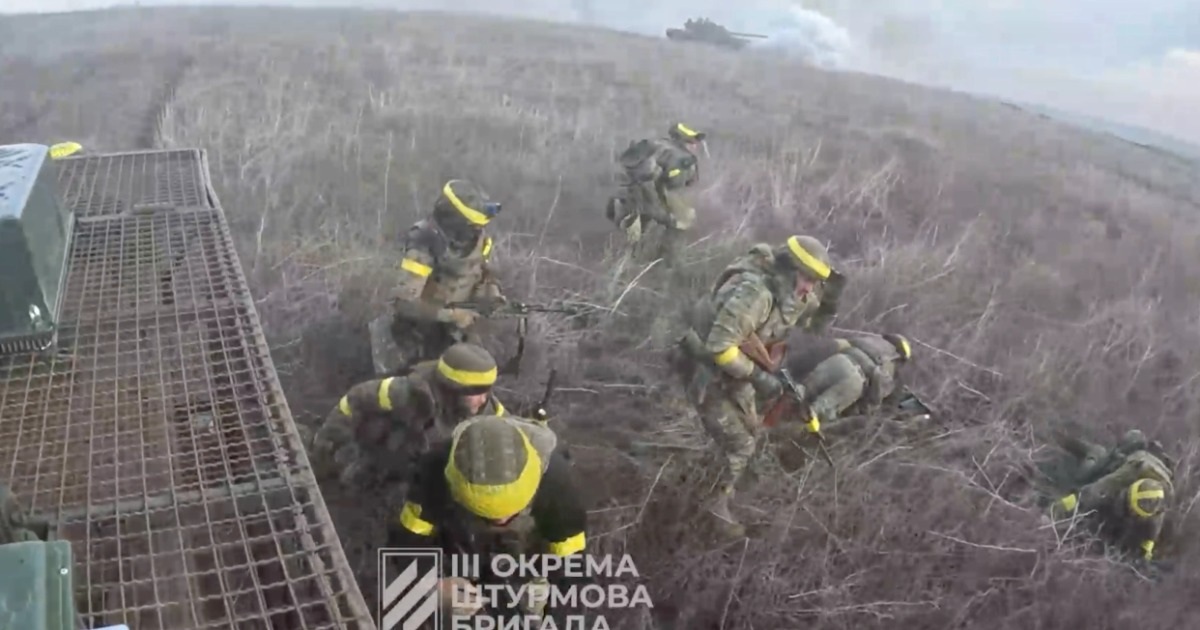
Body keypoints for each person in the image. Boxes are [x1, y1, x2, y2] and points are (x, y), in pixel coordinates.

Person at [673, 234, 845, 535]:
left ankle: (716, 472)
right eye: (807, 279)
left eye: (816, 283)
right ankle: (713, 504)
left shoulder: (794, 294)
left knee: (751, 428)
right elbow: (719, 347)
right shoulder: (756, 293)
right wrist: (760, 377)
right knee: (742, 443)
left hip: (737, 371)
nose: (809, 288)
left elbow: (813, 326)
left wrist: (831, 300)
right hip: (707, 371)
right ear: (790, 270)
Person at [387, 414, 587, 622]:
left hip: (527, 561)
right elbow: (407, 542)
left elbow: (573, 567)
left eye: (512, 512)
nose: (501, 521)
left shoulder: (557, 483)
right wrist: (435, 584)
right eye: (488, 516)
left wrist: (560, 618)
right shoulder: (435, 470)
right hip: (461, 553)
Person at [304, 343, 507, 488]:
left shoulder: (489, 411)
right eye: (477, 393)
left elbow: (512, 428)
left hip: (414, 469)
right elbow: (355, 399)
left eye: (487, 391)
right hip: (380, 450)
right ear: (453, 389)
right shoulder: (405, 392)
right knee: (340, 480)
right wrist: (331, 441)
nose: (484, 400)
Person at [369, 178, 507, 377]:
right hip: (416, 336)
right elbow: (405, 304)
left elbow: (483, 270)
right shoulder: (424, 242)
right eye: (471, 226)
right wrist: (453, 315)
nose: (476, 232)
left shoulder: (479, 238)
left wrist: (491, 293)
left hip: (456, 334)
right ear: (455, 220)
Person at [1048, 429, 1174, 563]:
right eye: (1130, 506)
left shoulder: (1160, 500)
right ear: (1130, 489)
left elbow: (1154, 526)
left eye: (1137, 513)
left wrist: (1146, 552)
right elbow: (1094, 491)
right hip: (1121, 464)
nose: (1131, 511)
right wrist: (1062, 506)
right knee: (1089, 469)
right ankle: (1066, 441)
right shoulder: (1129, 473)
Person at [604, 122, 706, 266]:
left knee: (632, 241)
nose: (696, 146)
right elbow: (670, 187)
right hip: (638, 201)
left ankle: (626, 268)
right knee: (681, 222)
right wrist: (668, 217)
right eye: (693, 142)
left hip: (623, 200)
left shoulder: (655, 145)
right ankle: (665, 265)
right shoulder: (680, 158)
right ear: (686, 142)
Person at [778, 331, 916, 429]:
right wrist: (864, 410)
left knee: (806, 388)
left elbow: (832, 345)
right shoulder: (891, 367)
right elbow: (875, 394)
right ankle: (802, 421)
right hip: (855, 380)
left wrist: (797, 362)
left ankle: (795, 396)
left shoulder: (867, 340)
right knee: (822, 409)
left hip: (839, 360)